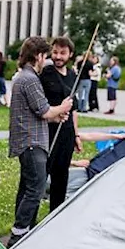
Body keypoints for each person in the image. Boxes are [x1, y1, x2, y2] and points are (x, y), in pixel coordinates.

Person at [8, 36, 74, 248]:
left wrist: (56, 116)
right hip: (31, 142)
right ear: (38, 55)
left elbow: (37, 112)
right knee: (35, 189)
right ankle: (19, 235)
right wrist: (62, 109)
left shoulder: (24, 77)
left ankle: (21, 231)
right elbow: (44, 110)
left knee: (27, 187)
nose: (46, 60)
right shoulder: (30, 79)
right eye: (46, 55)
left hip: (30, 139)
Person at [41, 36, 82, 211]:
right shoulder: (47, 72)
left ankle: (55, 213)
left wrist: (76, 134)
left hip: (66, 132)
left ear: (70, 54)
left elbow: (74, 109)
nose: (58, 56)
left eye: (62, 53)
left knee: (62, 174)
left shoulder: (73, 75)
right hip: (48, 129)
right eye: (55, 52)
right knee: (43, 172)